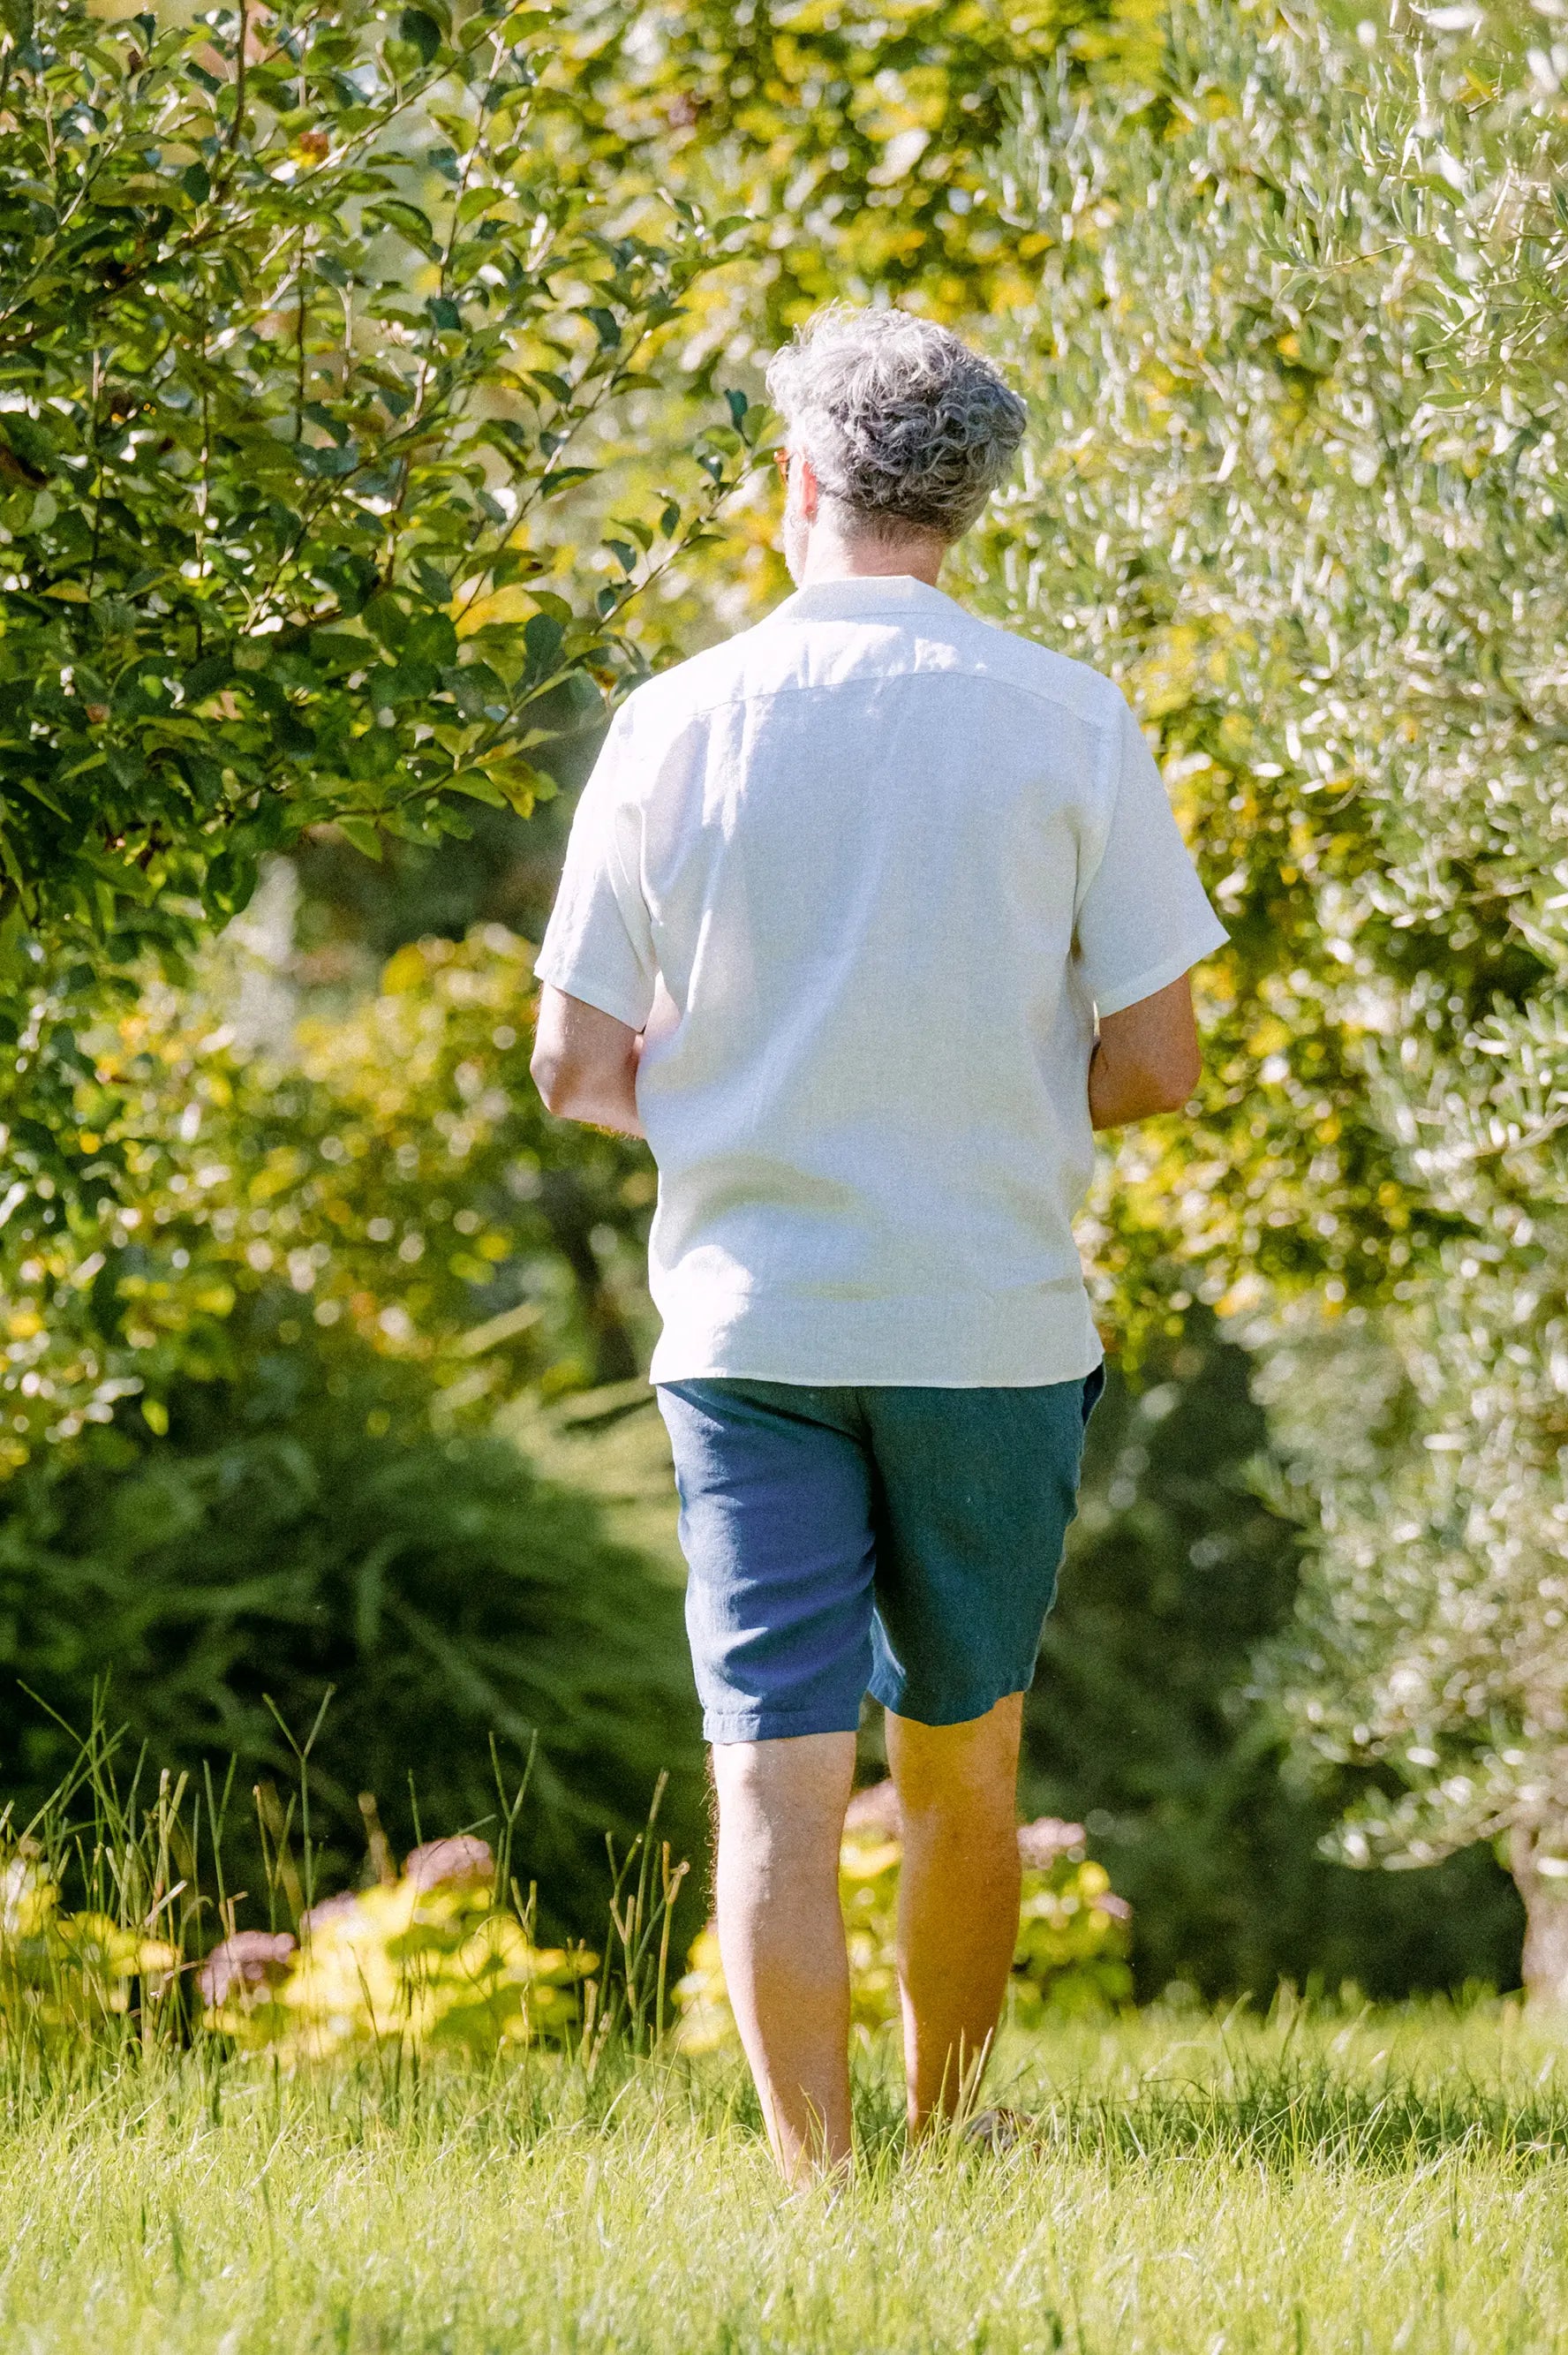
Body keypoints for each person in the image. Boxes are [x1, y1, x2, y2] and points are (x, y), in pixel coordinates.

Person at [531, 306, 1225, 2181]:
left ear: (797, 479)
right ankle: (952, 2129)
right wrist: (975, 1098)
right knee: (964, 1764)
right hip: (988, 1322)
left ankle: (819, 2193)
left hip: (750, 1324)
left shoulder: (672, 721)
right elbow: (1158, 1061)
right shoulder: (1067, 717)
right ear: (971, 501)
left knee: (771, 1775)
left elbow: (576, 1064)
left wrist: (745, 1105)